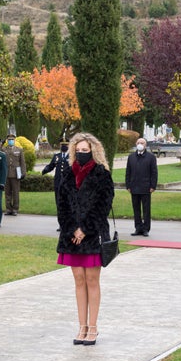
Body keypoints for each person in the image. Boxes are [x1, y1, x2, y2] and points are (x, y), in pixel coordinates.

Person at [56, 132, 114, 346]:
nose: (81, 154)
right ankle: (81, 326)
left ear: (93, 151)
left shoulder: (102, 174)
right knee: (78, 280)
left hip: (93, 235)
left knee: (92, 280)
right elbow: (61, 204)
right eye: (78, 151)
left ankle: (93, 327)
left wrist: (85, 229)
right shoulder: (68, 173)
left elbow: (103, 206)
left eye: (85, 151)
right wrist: (72, 229)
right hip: (71, 237)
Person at [125, 137, 158, 237]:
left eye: (142, 143)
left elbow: (154, 173)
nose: (140, 144)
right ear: (136, 144)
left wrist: (153, 186)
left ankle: (145, 229)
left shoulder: (151, 157)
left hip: (146, 187)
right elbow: (128, 172)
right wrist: (128, 185)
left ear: (145, 145)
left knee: (146, 209)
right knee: (136, 209)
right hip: (134, 187)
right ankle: (138, 228)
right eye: (138, 142)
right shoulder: (131, 157)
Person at [41, 140, 71, 231]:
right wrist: (45, 170)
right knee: (59, 204)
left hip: (68, 185)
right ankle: (61, 225)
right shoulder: (56, 156)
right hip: (58, 184)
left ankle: (68, 224)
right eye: (62, 145)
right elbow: (51, 166)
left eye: (65, 145)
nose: (64, 147)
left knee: (68, 204)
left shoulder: (72, 157)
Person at [3, 133, 26, 216]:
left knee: (15, 192)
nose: (11, 141)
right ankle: (8, 209)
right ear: (7, 141)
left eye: (12, 140)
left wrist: (23, 173)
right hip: (6, 174)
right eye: (9, 140)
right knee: (7, 193)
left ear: (14, 140)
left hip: (16, 174)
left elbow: (22, 162)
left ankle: (15, 209)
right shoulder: (4, 150)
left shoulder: (19, 150)